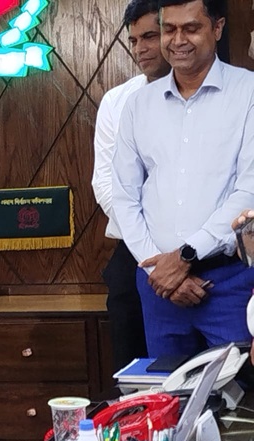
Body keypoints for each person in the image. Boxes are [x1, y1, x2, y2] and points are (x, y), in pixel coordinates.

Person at [112, 0, 254, 358]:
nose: (178, 40)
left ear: (217, 28)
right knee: (165, 388)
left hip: (229, 281)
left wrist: (186, 256)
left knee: (236, 389)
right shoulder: (139, 105)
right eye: (169, 29)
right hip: (158, 285)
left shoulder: (248, 92)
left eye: (191, 28)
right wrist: (160, 269)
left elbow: (249, 191)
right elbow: (125, 196)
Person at [92, 0, 171, 370]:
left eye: (150, 37)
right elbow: (105, 184)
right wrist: (152, 253)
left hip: (203, 251)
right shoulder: (117, 101)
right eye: (134, 40)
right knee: (134, 369)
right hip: (135, 251)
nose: (140, 49)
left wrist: (182, 254)